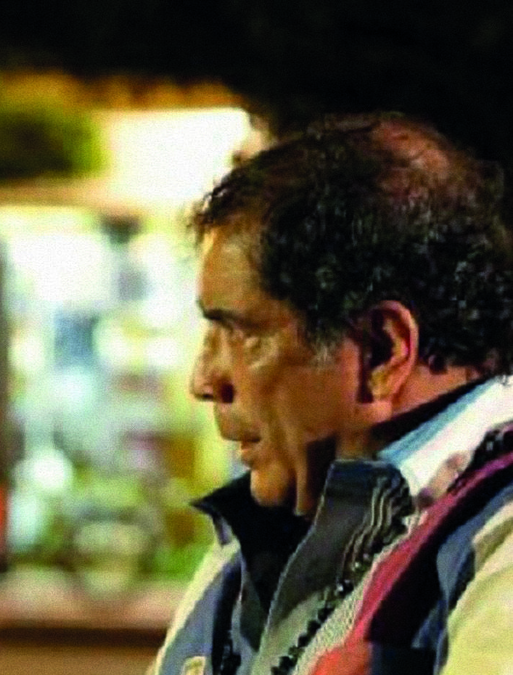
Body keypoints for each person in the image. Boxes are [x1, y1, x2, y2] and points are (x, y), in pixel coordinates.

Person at [151, 113, 513, 675]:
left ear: (382, 351)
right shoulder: (256, 537)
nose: (204, 381)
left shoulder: (496, 538)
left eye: (240, 333)